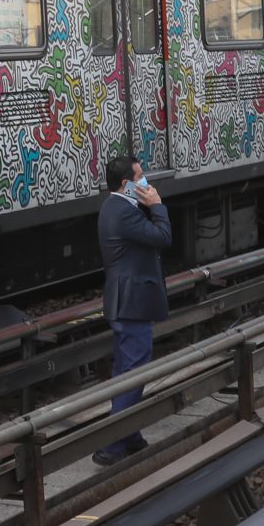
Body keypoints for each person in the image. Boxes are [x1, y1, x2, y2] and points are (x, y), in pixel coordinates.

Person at [93, 155, 170, 466]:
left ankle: (130, 432)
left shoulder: (115, 207)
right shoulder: (125, 212)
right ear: (125, 184)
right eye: (140, 177)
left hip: (124, 301)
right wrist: (157, 205)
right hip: (132, 302)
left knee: (124, 370)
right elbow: (163, 237)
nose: (146, 181)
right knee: (135, 371)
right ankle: (112, 445)